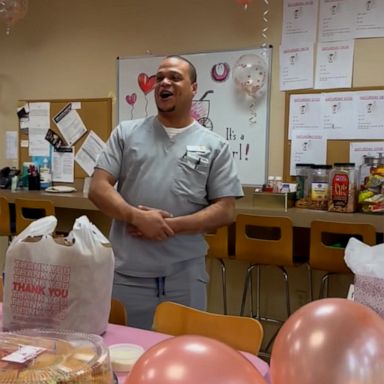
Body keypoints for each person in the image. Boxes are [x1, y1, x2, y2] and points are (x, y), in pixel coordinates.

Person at [89, 55, 243, 329]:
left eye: (174, 77)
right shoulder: (127, 133)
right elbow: (98, 187)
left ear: (194, 88)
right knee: (125, 355)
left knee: (181, 359)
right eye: (159, 78)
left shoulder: (213, 145)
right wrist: (136, 217)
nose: (164, 83)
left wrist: (170, 226)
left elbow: (226, 209)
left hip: (184, 277)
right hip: (128, 276)